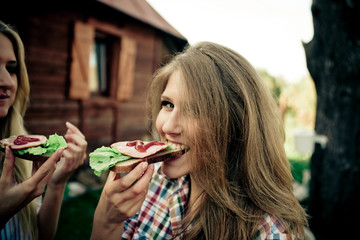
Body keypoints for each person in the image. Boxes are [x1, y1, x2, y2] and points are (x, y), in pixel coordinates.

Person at [91, 42, 308, 239]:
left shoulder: (268, 234)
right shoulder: (152, 181)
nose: (167, 127)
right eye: (168, 104)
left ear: (236, 125)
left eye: (195, 110)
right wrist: (107, 222)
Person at [0, 20, 88, 239]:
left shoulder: (22, 150)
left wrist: (58, 182)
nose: (7, 82)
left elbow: (41, 234)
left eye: (11, 69)